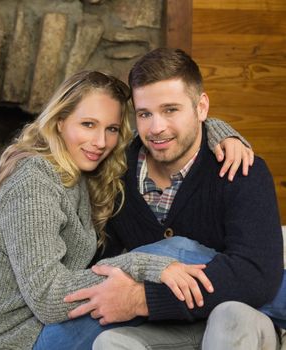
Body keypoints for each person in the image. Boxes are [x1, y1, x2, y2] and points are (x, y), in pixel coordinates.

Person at [0, 70, 252, 349]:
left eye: (112, 129)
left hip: (50, 329)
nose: (101, 142)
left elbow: (167, 136)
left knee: (170, 298)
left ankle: (251, 304)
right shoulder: (33, 180)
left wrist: (217, 131)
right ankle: (264, 294)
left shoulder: (81, 169)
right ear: (59, 122)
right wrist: (146, 266)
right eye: (88, 124)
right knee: (173, 251)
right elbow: (49, 298)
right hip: (23, 341)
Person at [65, 48, 284, 349]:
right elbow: (103, 263)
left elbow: (255, 275)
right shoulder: (113, 174)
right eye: (145, 114)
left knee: (229, 315)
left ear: (201, 107)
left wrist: (144, 299)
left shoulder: (242, 170)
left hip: (239, 312)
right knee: (110, 342)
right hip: (164, 329)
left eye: (171, 110)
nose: (157, 128)